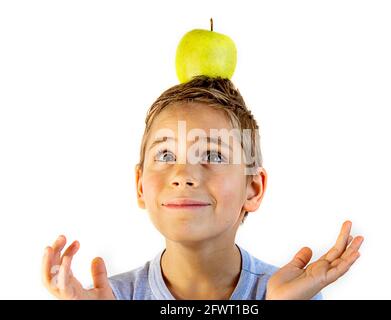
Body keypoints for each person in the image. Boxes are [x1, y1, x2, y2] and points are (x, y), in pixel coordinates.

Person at [41, 75, 364, 300]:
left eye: (212, 154)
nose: (183, 174)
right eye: (165, 154)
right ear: (140, 185)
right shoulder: (108, 297)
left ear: (252, 189)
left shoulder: (294, 293)